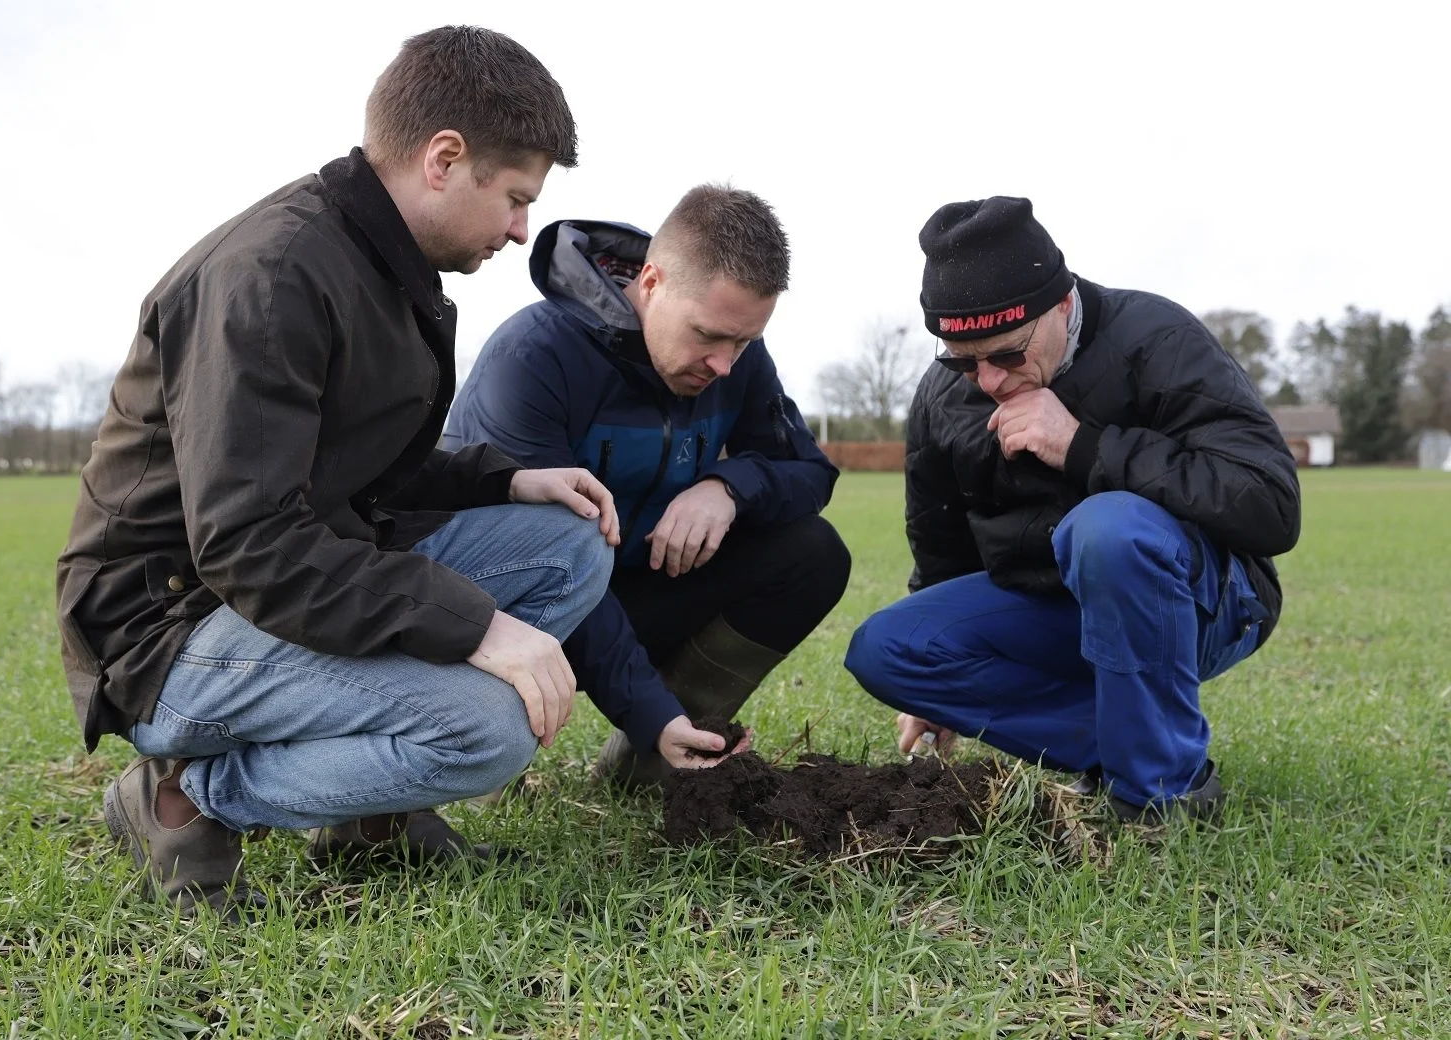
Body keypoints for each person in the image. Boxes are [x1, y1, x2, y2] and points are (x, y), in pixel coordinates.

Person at [56, 26, 619, 918]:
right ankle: (183, 796)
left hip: (266, 592)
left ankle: (370, 817)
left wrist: (501, 479)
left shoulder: (378, 262)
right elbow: (251, 545)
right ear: (444, 158)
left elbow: (361, 471)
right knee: (484, 727)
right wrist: (478, 629)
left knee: (567, 546)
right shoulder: (272, 275)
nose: (522, 230)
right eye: (515, 198)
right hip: (169, 629)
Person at [845, 197, 1300, 822]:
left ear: (1061, 304)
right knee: (889, 646)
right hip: (1055, 604)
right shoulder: (944, 395)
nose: (988, 381)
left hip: (1206, 602)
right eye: (961, 360)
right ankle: (1123, 740)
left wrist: (1082, 446)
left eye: (1007, 354)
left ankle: (1163, 796)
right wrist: (939, 685)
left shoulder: (1157, 340)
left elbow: (1270, 507)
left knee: (1108, 529)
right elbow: (943, 547)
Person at [442, 185, 850, 785]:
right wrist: (647, 710)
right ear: (651, 284)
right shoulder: (533, 359)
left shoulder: (732, 358)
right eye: (709, 336)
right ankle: (385, 808)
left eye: (744, 341)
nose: (725, 366)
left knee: (813, 554)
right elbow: (554, 561)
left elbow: (811, 473)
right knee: (556, 568)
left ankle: (655, 759)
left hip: (634, 589)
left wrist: (728, 486)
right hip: (514, 613)